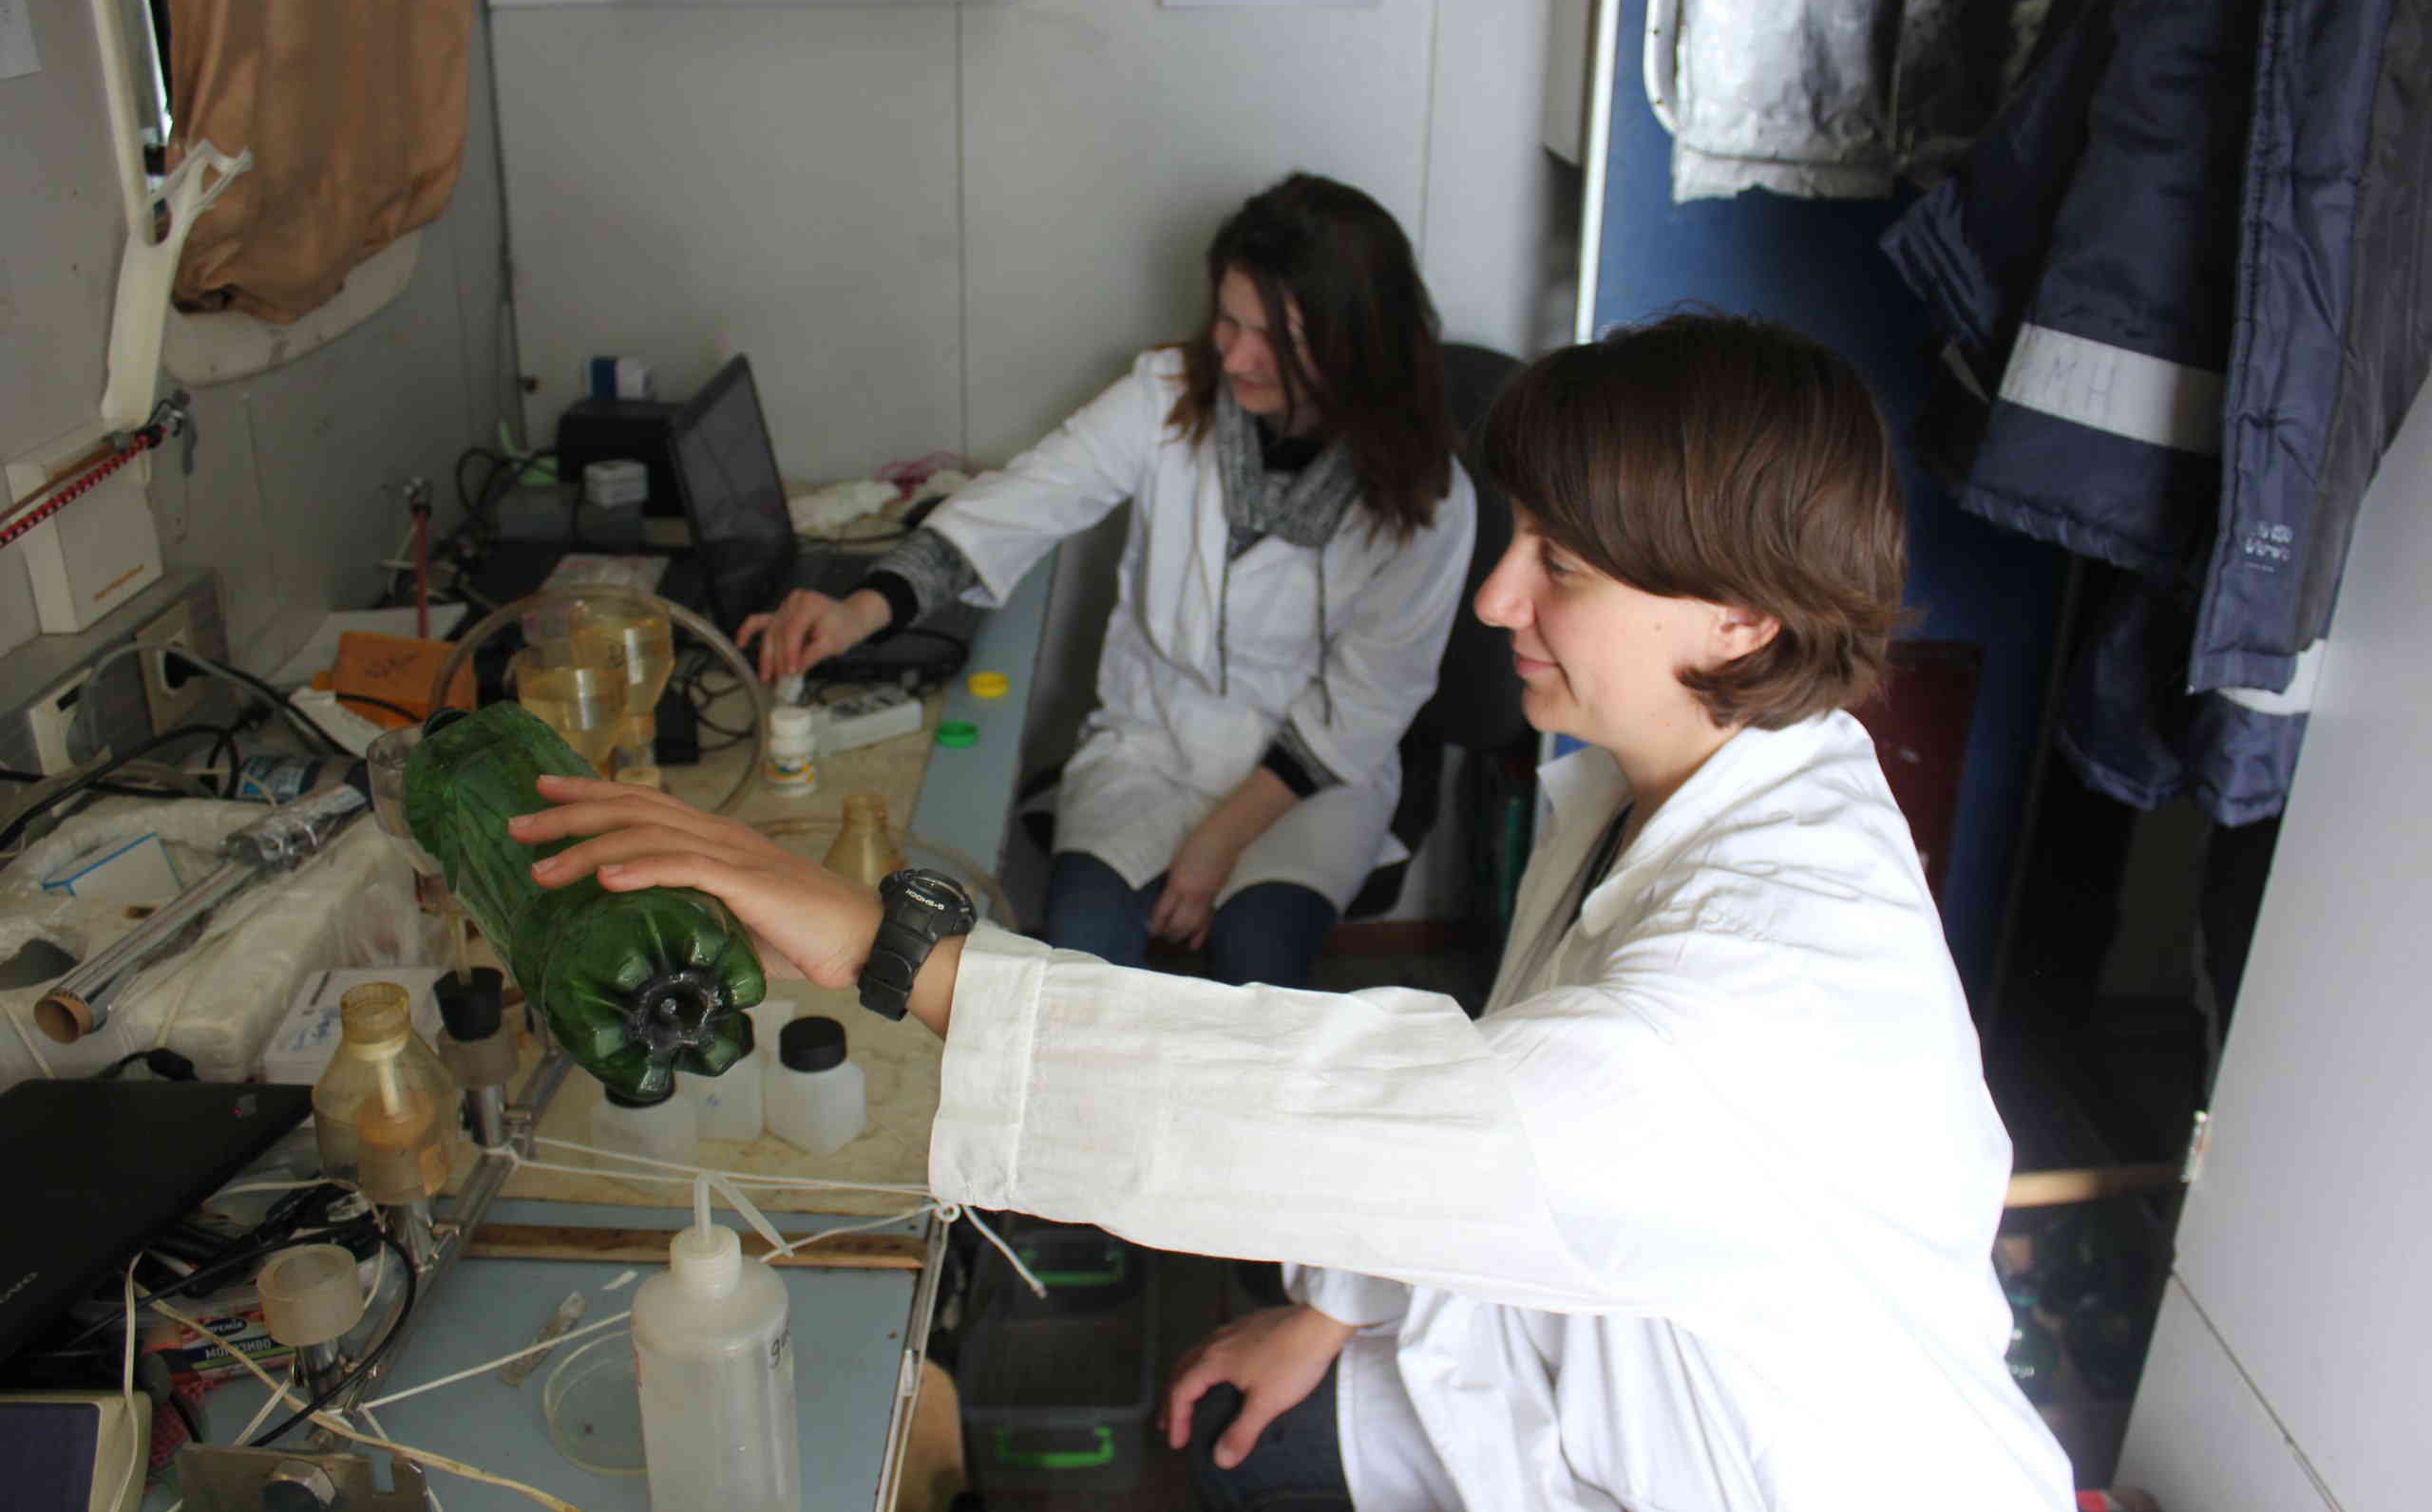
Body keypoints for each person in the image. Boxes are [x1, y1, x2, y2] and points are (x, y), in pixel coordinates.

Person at [509, 313, 2075, 1511]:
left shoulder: (1752, 1001)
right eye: (1519, 537)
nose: (1499, 598)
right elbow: (1485, 1121)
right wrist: (1329, 1312)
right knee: (1243, 1431)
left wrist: (884, 941)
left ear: (1739, 613)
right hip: (1588, 1359)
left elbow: (1350, 1112)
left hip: (1744, 1462)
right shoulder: (1679, 772)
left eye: (1563, 566)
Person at [738, 172, 1475, 990]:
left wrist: (1217, 842)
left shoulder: (1427, 499)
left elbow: (1365, 705)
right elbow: (1025, 502)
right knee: (1082, 959)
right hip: (1149, 741)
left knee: (1258, 965)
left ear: (1353, 344)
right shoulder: (1169, 397)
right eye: (1227, 321)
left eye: (1273, 338)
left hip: (1311, 777)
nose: (1234, 355)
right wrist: (860, 610)